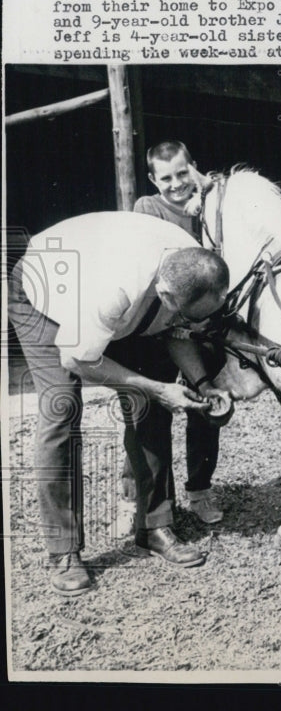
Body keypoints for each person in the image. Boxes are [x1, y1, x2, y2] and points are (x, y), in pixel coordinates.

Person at [8, 212, 230, 595]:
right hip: (43, 292)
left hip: (119, 300)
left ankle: (155, 525)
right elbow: (76, 359)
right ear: (165, 297)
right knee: (61, 410)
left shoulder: (189, 266)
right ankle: (64, 551)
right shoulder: (117, 289)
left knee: (153, 405)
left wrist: (202, 382)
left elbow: (176, 330)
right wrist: (155, 387)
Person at [122, 140, 223, 524]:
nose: (177, 183)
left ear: (193, 167)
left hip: (201, 321)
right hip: (158, 322)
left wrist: (210, 188)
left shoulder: (210, 205)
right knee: (148, 410)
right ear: (152, 179)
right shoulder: (147, 208)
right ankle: (134, 493)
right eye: (166, 178)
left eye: (183, 173)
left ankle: (200, 490)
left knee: (205, 401)